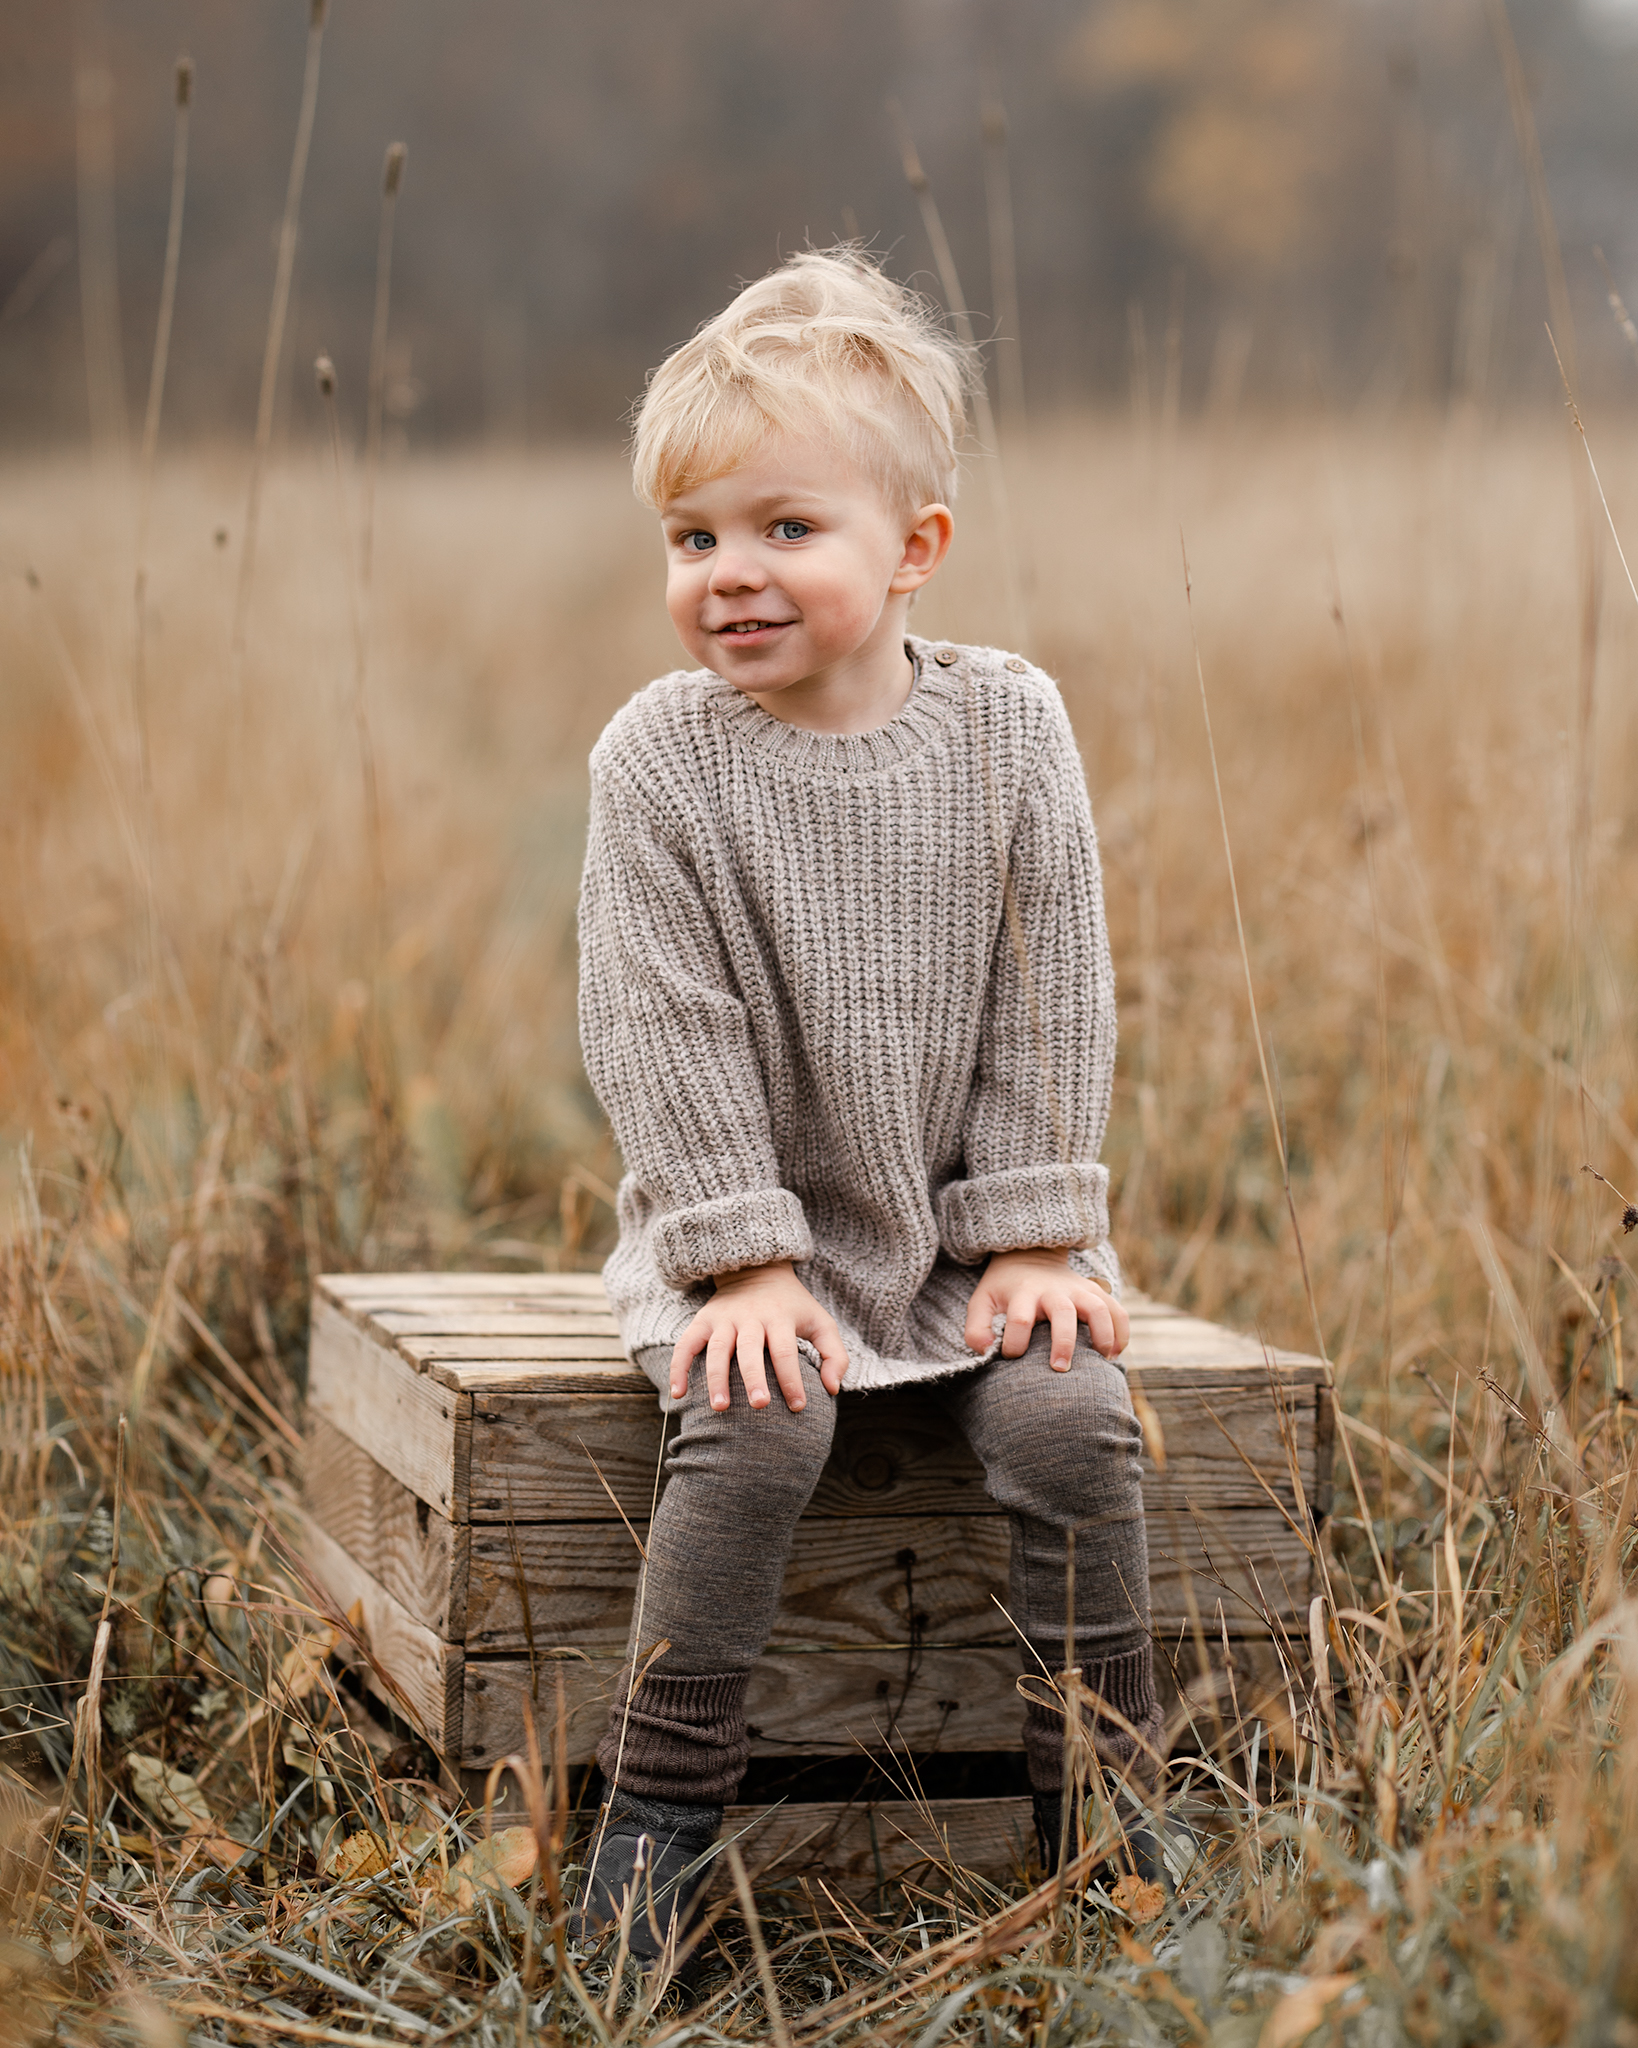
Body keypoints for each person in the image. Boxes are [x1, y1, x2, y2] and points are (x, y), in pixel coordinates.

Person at [573, 247, 1165, 1962]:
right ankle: (660, 1819)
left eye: (783, 530)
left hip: (972, 1228)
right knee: (759, 1422)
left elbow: (1053, 985)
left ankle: (1106, 1824)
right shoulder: (661, 760)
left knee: (1069, 1423)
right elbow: (657, 1030)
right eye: (692, 539)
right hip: (741, 1233)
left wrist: (1040, 1232)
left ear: (914, 551)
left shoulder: (1009, 731)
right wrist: (739, 1263)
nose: (728, 578)